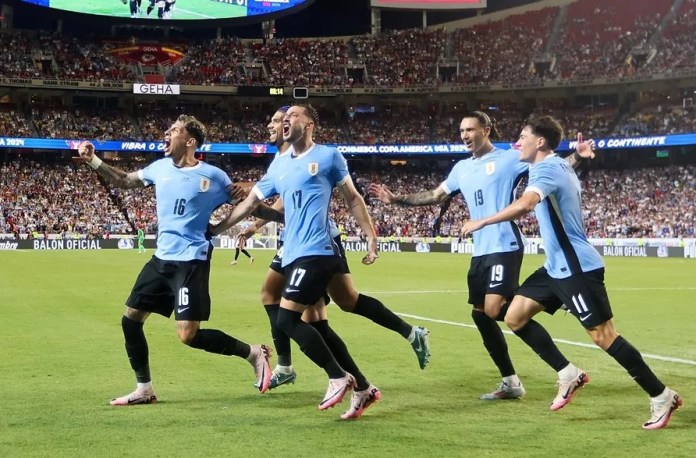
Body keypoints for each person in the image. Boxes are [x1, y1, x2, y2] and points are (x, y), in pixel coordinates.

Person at [461, 114, 683, 430]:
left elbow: (525, 204)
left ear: (540, 141)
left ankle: (661, 395)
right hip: (555, 268)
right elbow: (559, 170)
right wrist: (578, 155)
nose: (517, 142)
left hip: (576, 268)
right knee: (515, 316)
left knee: (604, 336)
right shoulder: (554, 165)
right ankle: (568, 373)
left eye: (523, 136)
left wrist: (483, 220)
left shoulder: (547, 168)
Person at [369, 111, 591, 401]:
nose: (464, 135)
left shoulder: (510, 159)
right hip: (481, 251)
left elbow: (555, 169)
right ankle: (511, 382)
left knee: (497, 309)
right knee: (481, 315)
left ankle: (563, 354)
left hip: (504, 244)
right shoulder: (461, 168)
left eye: (470, 129)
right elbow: (436, 196)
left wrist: (579, 156)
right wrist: (396, 199)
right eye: (461, 130)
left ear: (486, 130)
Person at [76, 114, 281, 405]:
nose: (166, 133)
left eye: (173, 130)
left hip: (191, 261)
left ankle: (253, 353)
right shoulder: (159, 168)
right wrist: (94, 160)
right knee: (130, 320)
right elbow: (123, 180)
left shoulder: (213, 176)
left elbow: (254, 207)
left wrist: (286, 217)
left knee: (188, 335)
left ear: (190, 141)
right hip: (161, 259)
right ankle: (144, 388)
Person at [212, 105, 394, 418]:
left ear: (308, 123)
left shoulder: (328, 156)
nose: (285, 121)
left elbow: (352, 198)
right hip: (293, 252)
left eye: (291, 116)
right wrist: (217, 228)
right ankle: (363, 388)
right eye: (282, 118)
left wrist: (371, 236)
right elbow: (251, 202)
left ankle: (337, 377)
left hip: (319, 250)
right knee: (315, 324)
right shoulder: (279, 165)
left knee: (288, 319)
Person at [239, 106, 431, 392]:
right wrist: (253, 220)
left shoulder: (315, 157)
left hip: (317, 242)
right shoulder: (282, 162)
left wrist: (254, 216)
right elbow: (284, 206)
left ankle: (312, 371)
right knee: (337, 305)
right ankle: (388, 353)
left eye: (279, 120)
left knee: (291, 304)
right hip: (296, 243)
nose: (273, 125)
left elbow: (293, 205)